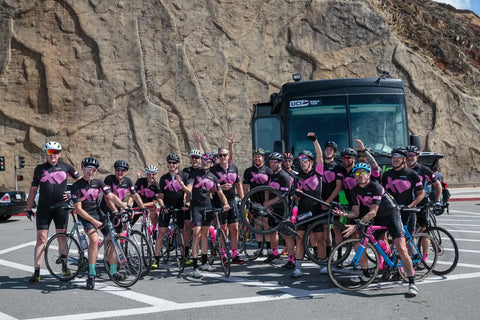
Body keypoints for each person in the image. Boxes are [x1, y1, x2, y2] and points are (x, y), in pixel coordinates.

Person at [333, 162, 419, 297]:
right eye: (357, 173)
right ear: (355, 176)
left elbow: (372, 212)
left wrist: (357, 225)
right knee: (360, 241)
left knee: (402, 248)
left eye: (363, 173)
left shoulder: (376, 187)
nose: (360, 176)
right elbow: (355, 212)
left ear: (368, 174)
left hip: (391, 214)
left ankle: (412, 282)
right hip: (378, 216)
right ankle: (366, 273)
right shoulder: (354, 189)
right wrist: (345, 214)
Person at [25, 141, 81, 284]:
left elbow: (81, 182)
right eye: (50, 152)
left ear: (59, 154)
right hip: (44, 208)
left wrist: (70, 193)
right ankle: (36, 271)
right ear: (46, 154)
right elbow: (33, 190)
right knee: (41, 239)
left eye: (55, 152)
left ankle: (64, 268)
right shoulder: (39, 169)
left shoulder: (65, 167)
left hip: (61, 207)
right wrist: (28, 208)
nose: (53, 155)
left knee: (62, 237)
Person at [70, 157, 129, 290]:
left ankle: (113, 271)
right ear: (83, 168)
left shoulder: (98, 182)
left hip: (98, 213)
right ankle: (91, 274)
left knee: (113, 239)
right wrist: (94, 222)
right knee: (94, 238)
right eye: (88, 168)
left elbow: (111, 196)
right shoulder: (76, 186)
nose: (91, 171)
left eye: (94, 169)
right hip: (85, 216)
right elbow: (78, 209)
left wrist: (124, 207)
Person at [185, 154, 230, 278]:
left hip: (208, 207)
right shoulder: (194, 175)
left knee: (205, 235)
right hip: (196, 207)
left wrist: (226, 203)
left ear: (211, 163)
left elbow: (220, 193)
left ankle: (204, 262)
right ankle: (195, 266)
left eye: (208, 161)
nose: (205, 162)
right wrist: (184, 188)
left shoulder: (213, 177)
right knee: (197, 235)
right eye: (203, 160)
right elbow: (189, 189)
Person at [290, 133, 324, 278]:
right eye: (300, 160)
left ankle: (323, 264)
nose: (302, 162)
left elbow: (320, 157)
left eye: (305, 160)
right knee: (300, 239)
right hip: (304, 211)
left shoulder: (317, 172)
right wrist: (296, 195)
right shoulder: (297, 177)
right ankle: (298, 268)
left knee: (320, 239)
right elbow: (294, 198)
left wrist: (315, 140)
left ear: (311, 161)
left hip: (318, 210)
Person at [153, 154, 190, 268]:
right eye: (169, 162)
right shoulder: (164, 178)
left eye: (173, 163)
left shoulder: (184, 175)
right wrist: (163, 206)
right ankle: (156, 259)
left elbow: (189, 192)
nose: (171, 165)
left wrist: (187, 203)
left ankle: (185, 256)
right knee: (161, 233)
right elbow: (160, 196)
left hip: (180, 207)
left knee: (182, 233)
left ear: (178, 164)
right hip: (167, 207)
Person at [210, 147, 245, 264]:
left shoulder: (233, 168)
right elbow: (208, 189)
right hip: (219, 202)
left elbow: (239, 185)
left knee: (234, 229)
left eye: (225, 155)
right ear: (218, 157)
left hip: (231, 201)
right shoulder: (213, 170)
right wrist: (220, 187)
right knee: (223, 230)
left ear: (228, 156)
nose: (223, 157)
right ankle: (224, 254)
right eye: (220, 155)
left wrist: (243, 199)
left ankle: (234, 254)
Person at [381, 147, 425, 235]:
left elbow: (421, 193)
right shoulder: (386, 175)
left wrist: (409, 206)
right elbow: (383, 193)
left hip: (407, 212)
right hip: (392, 211)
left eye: (398, 157)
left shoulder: (412, 174)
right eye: (393, 156)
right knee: (394, 239)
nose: (395, 159)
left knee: (408, 240)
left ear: (404, 159)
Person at [100, 160, 146, 234]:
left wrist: (143, 207)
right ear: (115, 170)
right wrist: (115, 211)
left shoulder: (128, 181)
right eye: (118, 170)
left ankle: (121, 245)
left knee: (120, 235)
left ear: (126, 172)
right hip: (105, 209)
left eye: (123, 170)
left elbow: (135, 195)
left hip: (117, 209)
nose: (120, 172)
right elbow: (107, 198)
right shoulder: (109, 179)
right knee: (110, 237)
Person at [243, 148, 273, 257]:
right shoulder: (248, 171)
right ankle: (259, 247)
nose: (257, 158)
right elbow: (245, 187)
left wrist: (269, 202)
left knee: (266, 224)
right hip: (254, 201)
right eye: (255, 156)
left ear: (263, 158)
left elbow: (272, 188)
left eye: (259, 156)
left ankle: (269, 247)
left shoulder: (269, 171)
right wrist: (247, 201)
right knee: (257, 224)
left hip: (266, 201)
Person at [262, 152, 291, 264]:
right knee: (273, 232)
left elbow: (283, 196)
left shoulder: (284, 176)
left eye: (274, 162)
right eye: (270, 162)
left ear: (280, 163)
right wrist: (266, 203)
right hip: (272, 208)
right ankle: (274, 253)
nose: (272, 164)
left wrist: (269, 203)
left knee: (286, 234)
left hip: (283, 208)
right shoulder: (271, 175)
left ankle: (291, 259)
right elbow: (267, 189)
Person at [321, 140, 343, 260]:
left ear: (335, 152)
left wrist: (328, 201)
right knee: (325, 227)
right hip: (321, 201)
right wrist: (321, 201)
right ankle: (329, 254)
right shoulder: (319, 165)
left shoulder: (338, 167)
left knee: (336, 228)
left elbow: (339, 186)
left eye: (331, 149)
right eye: (327, 149)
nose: (328, 151)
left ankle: (339, 255)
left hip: (333, 201)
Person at [182, 149, 203, 263]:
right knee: (187, 225)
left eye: (197, 158)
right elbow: (184, 189)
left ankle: (198, 251)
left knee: (199, 230)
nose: (195, 160)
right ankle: (185, 252)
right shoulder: (186, 171)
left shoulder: (202, 170)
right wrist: (186, 201)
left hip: (200, 202)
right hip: (188, 201)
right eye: (193, 157)